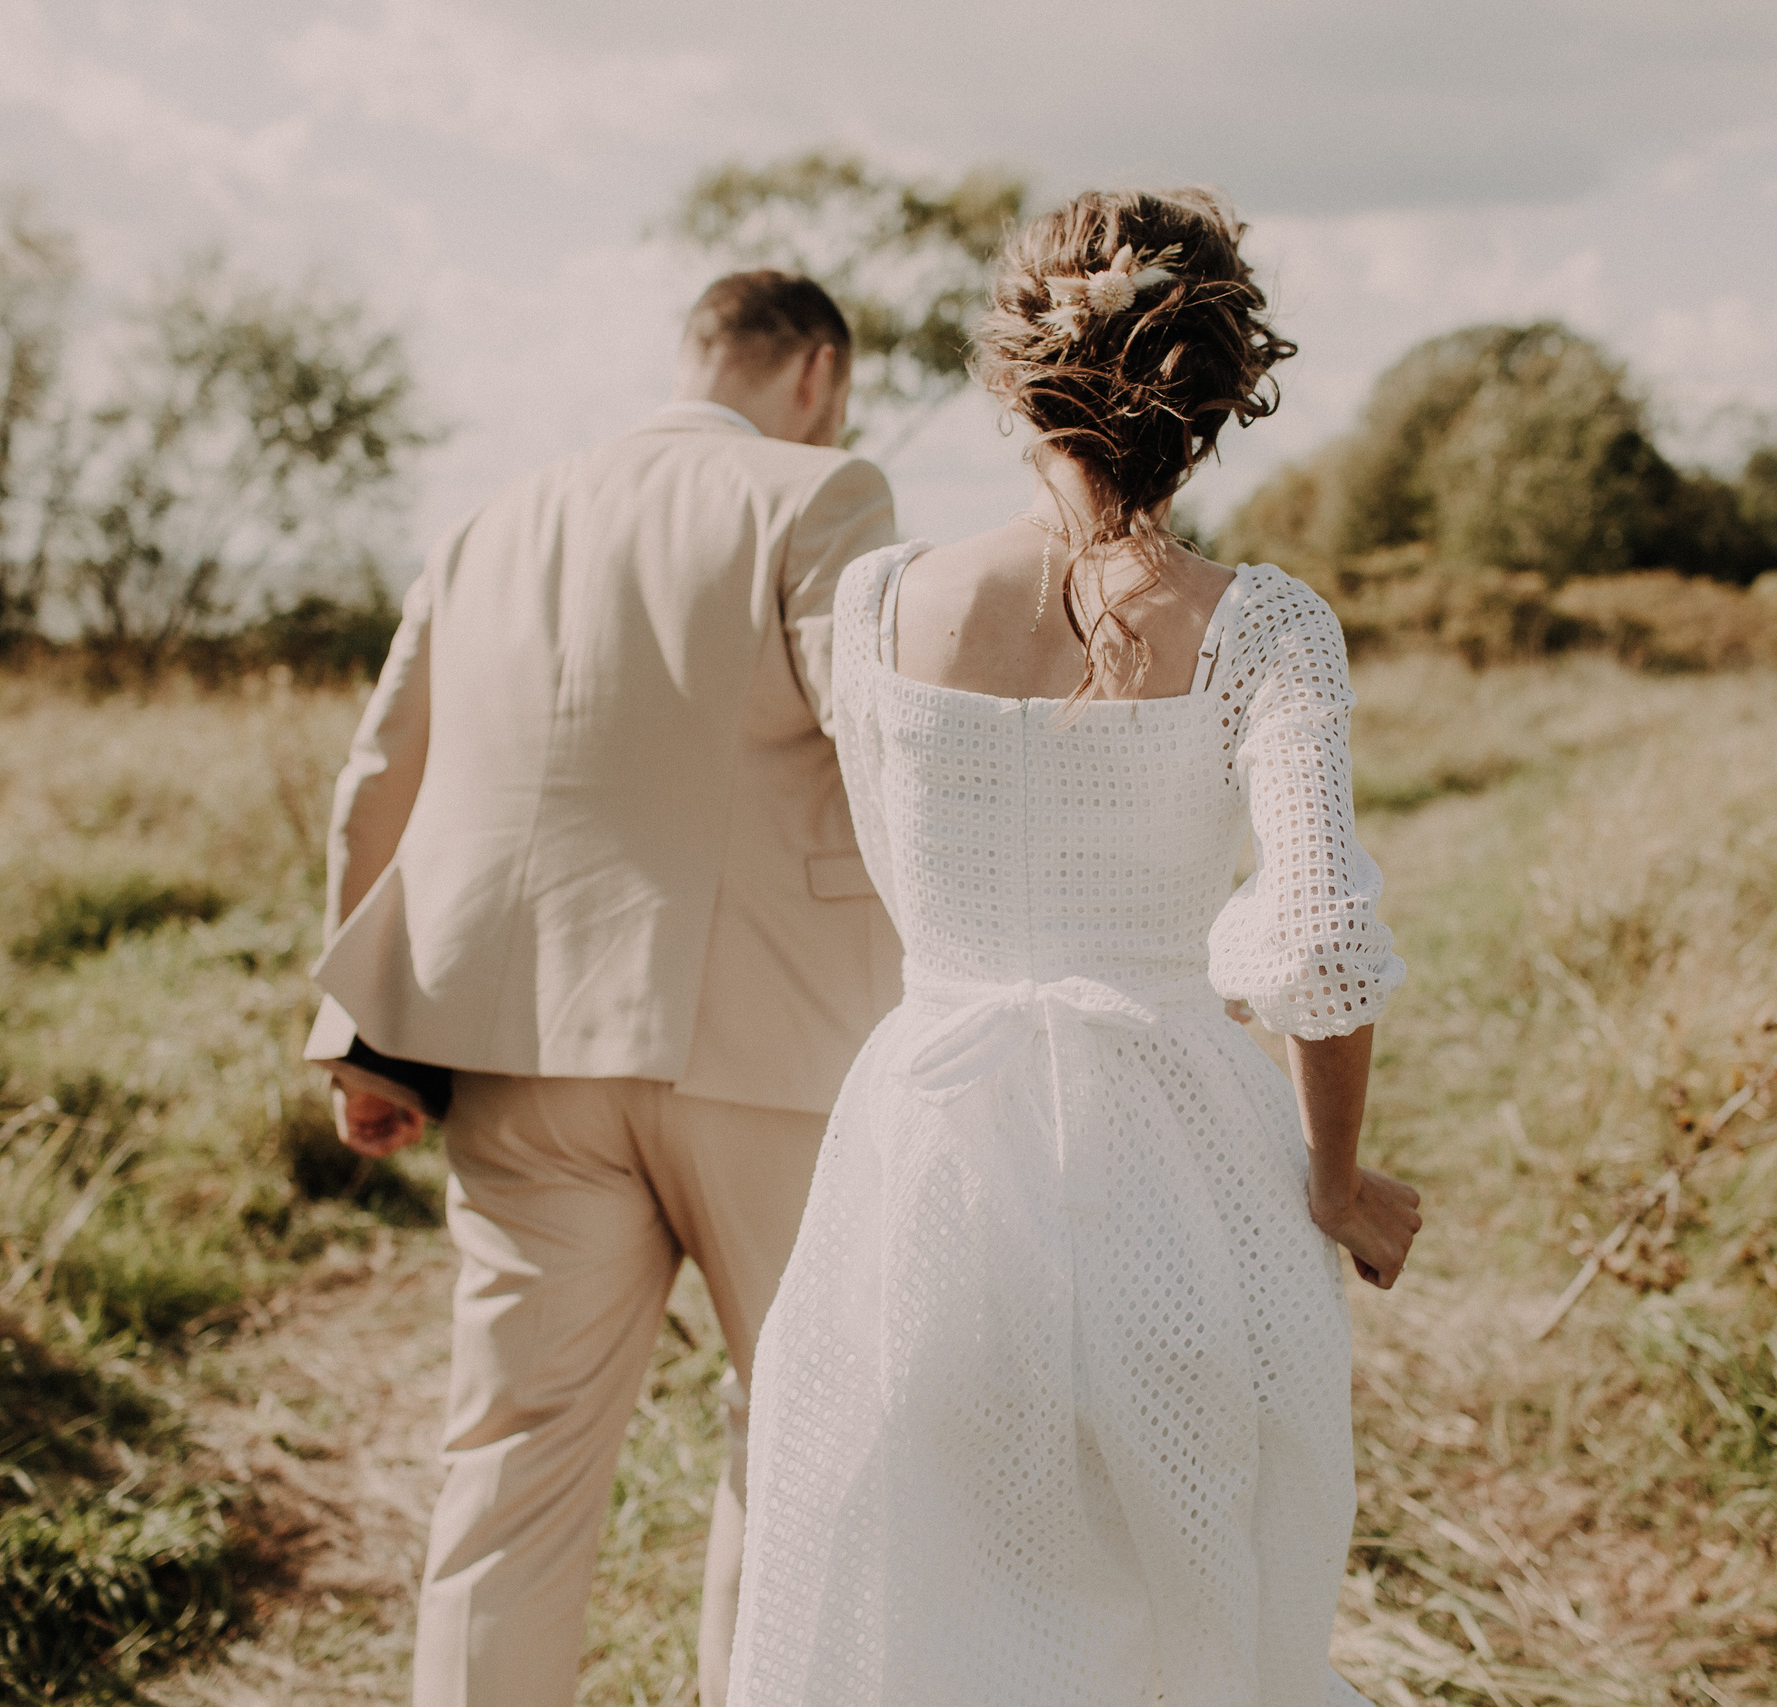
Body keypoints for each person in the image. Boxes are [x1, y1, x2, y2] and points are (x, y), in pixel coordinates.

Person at [729, 190, 1423, 1706]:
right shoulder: (1267, 625)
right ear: (1220, 395)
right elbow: (1314, 945)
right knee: (1176, 1614)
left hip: (926, 1151)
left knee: (929, 1611)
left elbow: (900, 870)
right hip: (1178, 1162)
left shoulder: (879, 603)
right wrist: (1337, 1184)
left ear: (1010, 374)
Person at [302, 271, 903, 1707]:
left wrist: (365, 1038)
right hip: (774, 1048)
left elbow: (376, 778)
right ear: (815, 371)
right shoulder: (821, 495)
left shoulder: (493, 519)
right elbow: (892, 757)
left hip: (521, 1061)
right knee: (813, 1436)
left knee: (509, 1466)